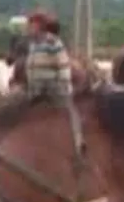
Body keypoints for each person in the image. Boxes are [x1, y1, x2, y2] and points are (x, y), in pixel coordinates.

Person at [25, 10, 84, 159]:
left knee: (70, 112)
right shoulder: (33, 45)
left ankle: (78, 142)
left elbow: (63, 65)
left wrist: (63, 86)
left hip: (54, 88)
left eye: (32, 25)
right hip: (36, 90)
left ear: (40, 27)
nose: (29, 29)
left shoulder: (53, 43)